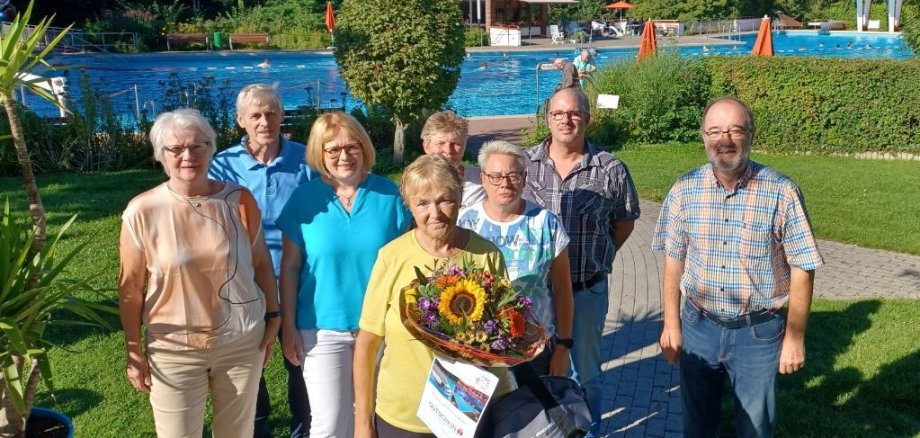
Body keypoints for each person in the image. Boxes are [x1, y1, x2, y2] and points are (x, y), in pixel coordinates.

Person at [653, 97, 824, 438]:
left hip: (757, 333)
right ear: (703, 137)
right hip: (697, 327)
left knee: (756, 428)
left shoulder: (782, 191)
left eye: (735, 130)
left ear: (751, 134)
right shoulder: (684, 190)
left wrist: (795, 337)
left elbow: (803, 268)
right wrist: (671, 324)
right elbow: (673, 261)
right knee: (697, 425)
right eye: (715, 131)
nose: (724, 139)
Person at [119, 108, 280, 437]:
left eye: (198, 146)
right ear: (160, 156)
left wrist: (273, 317)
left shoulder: (238, 200)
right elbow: (130, 289)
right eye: (175, 149)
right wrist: (134, 350)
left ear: (211, 149)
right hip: (173, 349)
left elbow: (261, 263)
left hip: (240, 343)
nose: (187, 156)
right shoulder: (142, 211)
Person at [354, 155, 513, 438]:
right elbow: (367, 343)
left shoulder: (487, 255)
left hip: (470, 414)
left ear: (460, 198)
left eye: (444, 200)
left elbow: (503, 335)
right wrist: (362, 423)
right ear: (410, 207)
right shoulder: (392, 257)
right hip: (403, 415)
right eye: (423, 203)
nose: (435, 212)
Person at [277, 112, 410, 437]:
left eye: (352, 147)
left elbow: (407, 261)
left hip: (382, 329)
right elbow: (290, 268)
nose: (344, 156)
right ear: (319, 154)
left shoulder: (389, 195)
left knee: (379, 420)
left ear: (364, 147)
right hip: (321, 331)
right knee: (330, 423)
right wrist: (288, 326)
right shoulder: (303, 200)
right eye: (332, 150)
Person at [523, 87, 640, 437]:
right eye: (558, 113)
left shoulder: (610, 169)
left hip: (585, 292)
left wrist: (599, 257)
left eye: (574, 113)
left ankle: (587, 433)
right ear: (547, 119)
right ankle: (547, 430)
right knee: (534, 369)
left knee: (584, 374)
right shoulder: (524, 165)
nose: (566, 120)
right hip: (535, 295)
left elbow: (625, 221)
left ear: (588, 118)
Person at [210, 83, 314, 438]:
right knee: (247, 362)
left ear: (282, 115)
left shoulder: (305, 160)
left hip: (298, 278)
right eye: (255, 115)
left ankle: (305, 429)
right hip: (243, 279)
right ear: (241, 120)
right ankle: (257, 427)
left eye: (271, 113)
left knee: (299, 362)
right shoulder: (222, 165)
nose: (264, 121)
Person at [457, 140, 574, 378]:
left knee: (538, 415)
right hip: (480, 350)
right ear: (483, 178)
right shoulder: (464, 223)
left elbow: (563, 289)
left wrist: (563, 346)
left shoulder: (545, 223)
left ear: (524, 177)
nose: (505, 184)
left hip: (535, 349)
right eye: (496, 176)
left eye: (513, 175)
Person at [420, 110, 485, 210]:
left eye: (456, 144)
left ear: (464, 146)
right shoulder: (417, 182)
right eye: (441, 143)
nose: (448, 150)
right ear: (426, 147)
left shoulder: (481, 180)